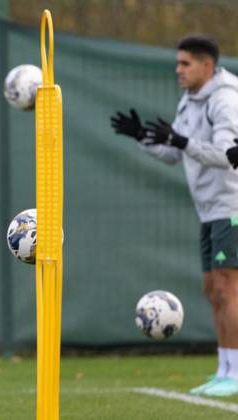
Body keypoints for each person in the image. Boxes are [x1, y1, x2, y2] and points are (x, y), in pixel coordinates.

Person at [111, 34, 238, 397]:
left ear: (207, 66)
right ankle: (225, 369)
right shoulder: (190, 100)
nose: (178, 69)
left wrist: (181, 142)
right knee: (214, 289)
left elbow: (228, 154)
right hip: (209, 210)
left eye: (185, 63)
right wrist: (142, 137)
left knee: (228, 289)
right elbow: (175, 155)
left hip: (231, 207)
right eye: (178, 62)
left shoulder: (225, 100)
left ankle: (235, 374)